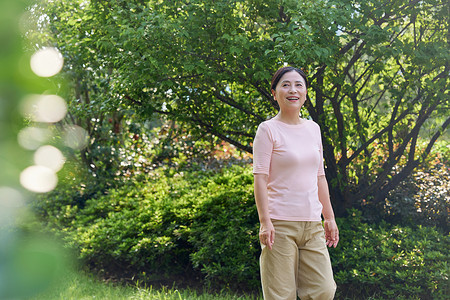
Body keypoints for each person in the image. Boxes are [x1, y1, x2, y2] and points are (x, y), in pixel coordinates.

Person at [252, 66, 339, 300]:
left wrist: (329, 218)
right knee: (281, 295)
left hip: (312, 225)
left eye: (299, 85)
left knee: (324, 290)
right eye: (286, 85)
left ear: (306, 92)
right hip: (279, 224)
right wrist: (265, 222)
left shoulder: (313, 129)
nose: (293, 90)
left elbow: (319, 176)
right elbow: (260, 178)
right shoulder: (268, 130)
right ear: (274, 92)